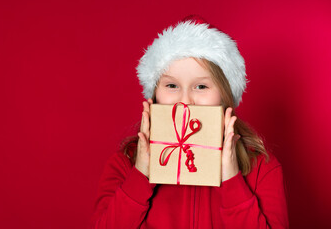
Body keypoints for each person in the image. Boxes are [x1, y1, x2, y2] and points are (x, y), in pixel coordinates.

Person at [90, 15, 289, 229]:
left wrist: (232, 181)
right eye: (172, 86)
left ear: (225, 96)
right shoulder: (124, 164)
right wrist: (140, 175)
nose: (185, 102)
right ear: (154, 95)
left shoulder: (262, 168)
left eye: (201, 86)